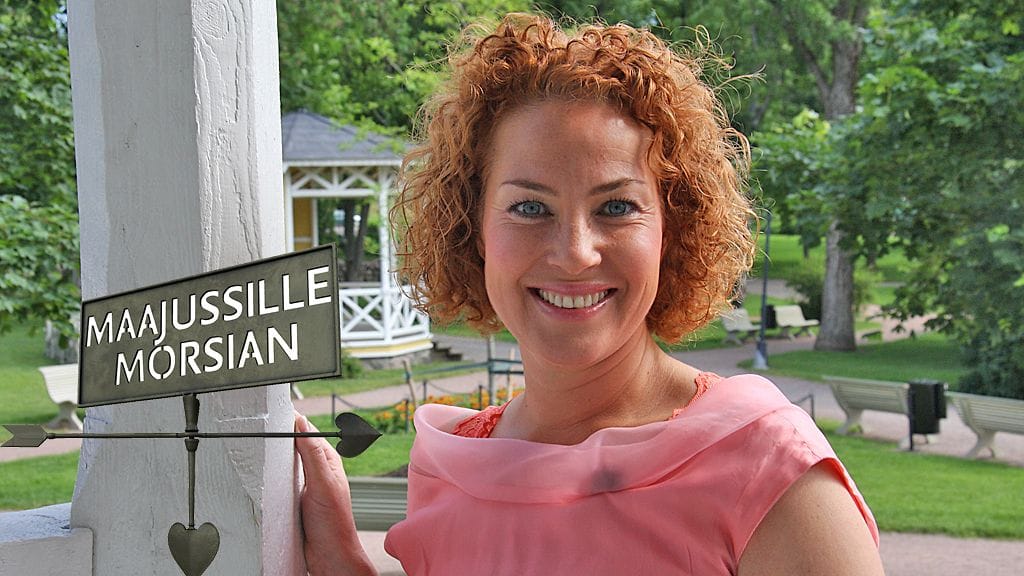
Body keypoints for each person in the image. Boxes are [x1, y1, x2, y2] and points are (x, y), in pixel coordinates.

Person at [295, 13, 884, 576]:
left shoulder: (770, 473)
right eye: (530, 208)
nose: (575, 252)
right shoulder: (452, 470)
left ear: (671, 228)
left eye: (617, 207)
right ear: (474, 229)